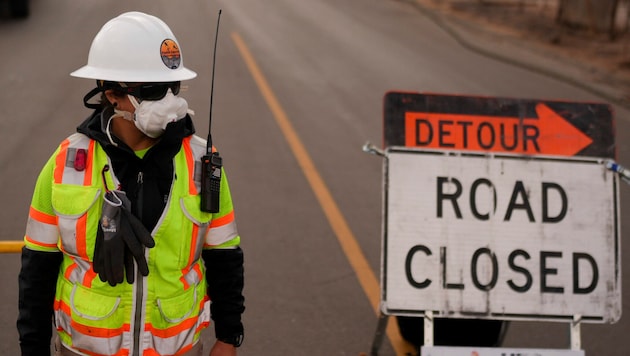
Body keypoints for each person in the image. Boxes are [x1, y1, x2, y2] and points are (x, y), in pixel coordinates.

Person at [17, 11, 245, 356]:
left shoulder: (203, 163)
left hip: (176, 348)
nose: (170, 101)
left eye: (173, 88)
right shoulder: (66, 164)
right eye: (153, 91)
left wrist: (228, 337)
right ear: (111, 92)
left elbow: (225, 255)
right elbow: (38, 265)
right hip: (87, 349)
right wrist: (32, 347)